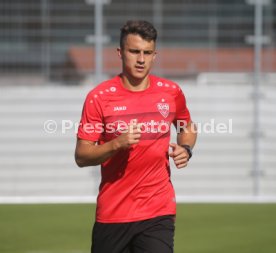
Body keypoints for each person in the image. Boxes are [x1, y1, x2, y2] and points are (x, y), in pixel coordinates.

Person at [75, 20, 197, 253]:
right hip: (113, 213)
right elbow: (82, 156)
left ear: (154, 55)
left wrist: (186, 149)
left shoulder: (171, 92)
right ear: (120, 53)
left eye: (147, 53)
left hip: (157, 210)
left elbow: (187, 127)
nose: (141, 59)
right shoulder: (99, 97)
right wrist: (116, 144)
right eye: (134, 51)